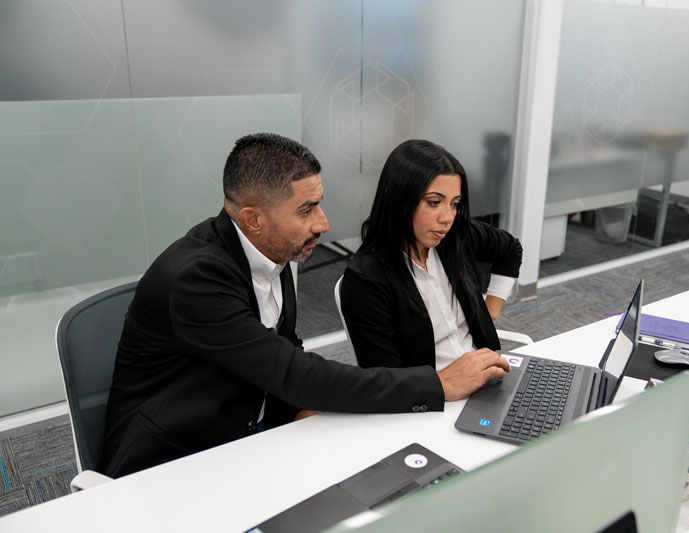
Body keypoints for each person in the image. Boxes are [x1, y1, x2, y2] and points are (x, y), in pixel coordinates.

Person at [102, 133, 509, 478]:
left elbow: (284, 352)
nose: (323, 223)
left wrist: (299, 411)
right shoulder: (198, 279)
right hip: (172, 462)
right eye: (306, 210)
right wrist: (437, 384)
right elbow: (291, 371)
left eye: (319, 203)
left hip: (247, 433)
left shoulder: (273, 251)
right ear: (253, 218)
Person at [340, 139, 523, 371]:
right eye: (434, 202)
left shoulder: (455, 238)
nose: (447, 217)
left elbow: (510, 249)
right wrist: (451, 382)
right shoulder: (367, 279)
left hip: (487, 373)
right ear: (400, 200)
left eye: (455, 204)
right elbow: (387, 381)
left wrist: (490, 313)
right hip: (434, 397)